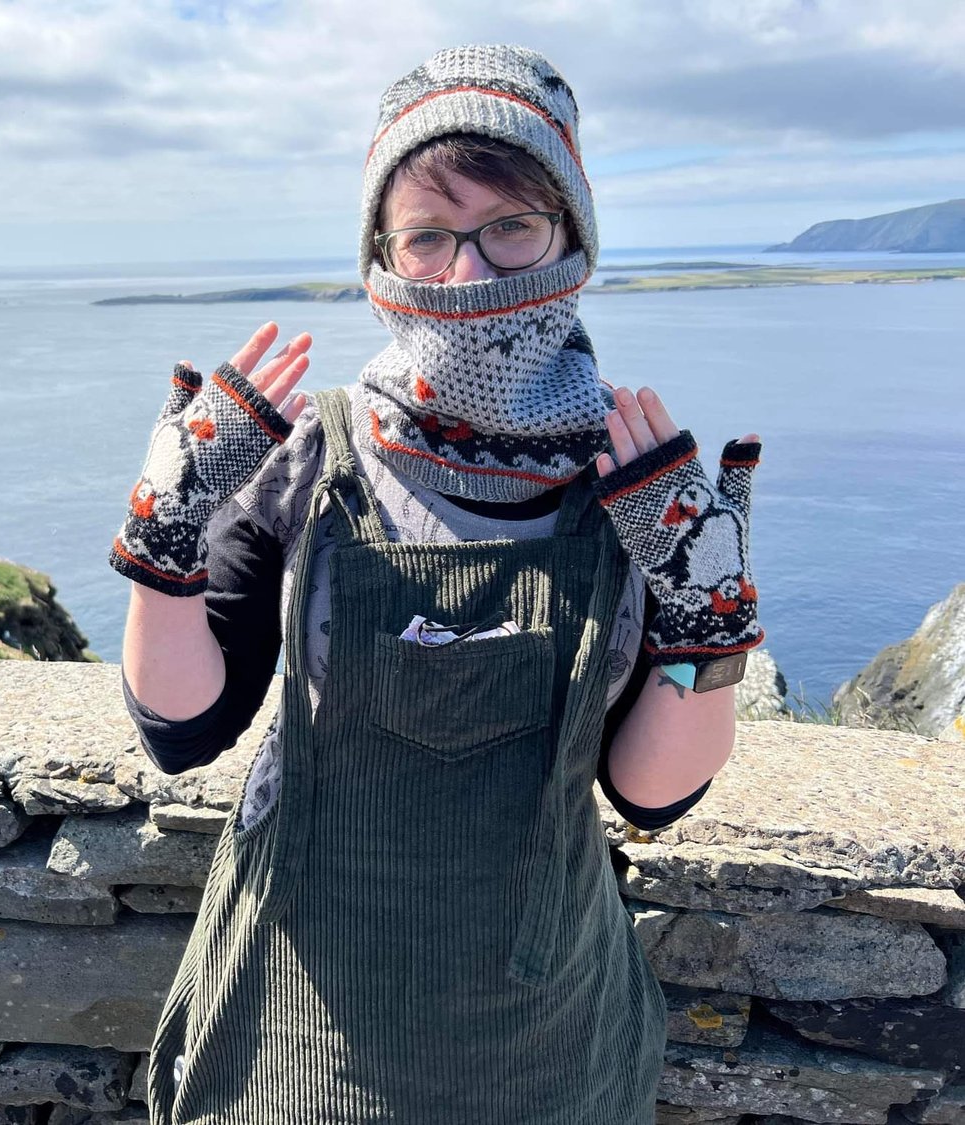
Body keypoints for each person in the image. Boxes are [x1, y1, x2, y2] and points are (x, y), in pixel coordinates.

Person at [108, 45, 764, 1124]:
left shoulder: (639, 483)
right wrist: (165, 540)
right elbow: (182, 727)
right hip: (296, 1023)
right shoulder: (303, 458)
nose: (469, 276)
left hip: (548, 1038)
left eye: (512, 227)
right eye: (427, 236)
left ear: (573, 240)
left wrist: (708, 618)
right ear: (382, 259)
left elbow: (653, 793)